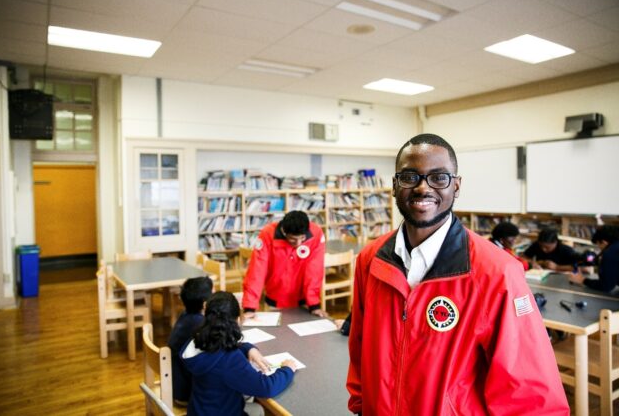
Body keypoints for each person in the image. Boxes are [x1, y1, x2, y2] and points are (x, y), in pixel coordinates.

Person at [346, 133, 568, 415]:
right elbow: (360, 345)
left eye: (439, 178)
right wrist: (361, 404)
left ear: (457, 186)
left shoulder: (497, 271)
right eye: (410, 177)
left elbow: (529, 390)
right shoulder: (371, 259)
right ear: (394, 185)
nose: (422, 188)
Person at [181, 291, 296, 416]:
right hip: (224, 412)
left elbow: (219, 348)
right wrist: (287, 369)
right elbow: (266, 388)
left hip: (199, 411)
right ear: (237, 320)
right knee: (257, 409)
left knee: (253, 405)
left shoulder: (196, 340)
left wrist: (248, 348)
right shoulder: (230, 359)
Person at [242, 210, 327, 318]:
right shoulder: (267, 234)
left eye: (302, 238)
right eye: (293, 240)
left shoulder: (316, 233)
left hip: (303, 301)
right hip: (275, 299)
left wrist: (314, 305)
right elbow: (257, 271)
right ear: (284, 232)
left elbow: (314, 270)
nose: (298, 244)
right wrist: (250, 307)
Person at [168, 276, 214, 404]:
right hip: (187, 393)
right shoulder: (200, 326)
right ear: (205, 304)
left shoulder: (186, 316)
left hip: (176, 384)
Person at [568, 225, 619, 292]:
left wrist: (582, 280)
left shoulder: (610, 254)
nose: (599, 248)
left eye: (599, 245)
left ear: (604, 242)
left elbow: (606, 286)